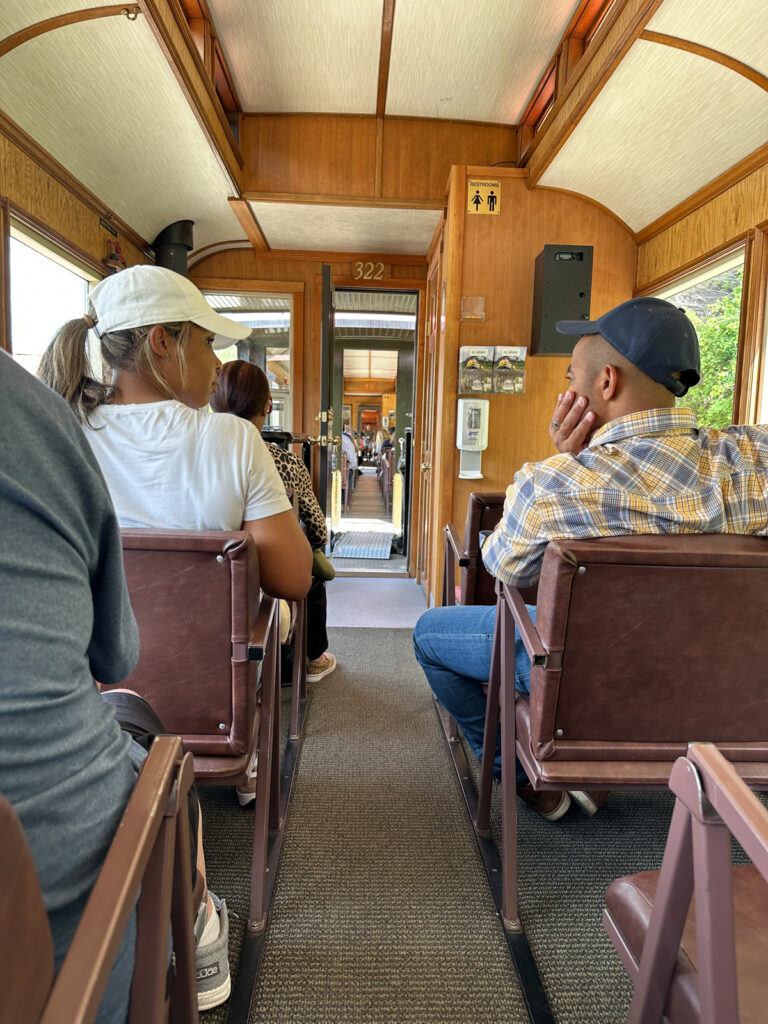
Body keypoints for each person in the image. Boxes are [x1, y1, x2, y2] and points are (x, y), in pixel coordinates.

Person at [413, 296, 768, 819]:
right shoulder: (754, 460)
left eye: (571, 376)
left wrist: (567, 459)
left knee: (429, 634)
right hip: (724, 693)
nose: (566, 390)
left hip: (587, 690)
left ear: (606, 383)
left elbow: (503, 567)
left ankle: (529, 782)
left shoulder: (553, 486)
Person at [0, 351, 228, 1018]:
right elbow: (115, 654)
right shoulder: (34, 421)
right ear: (164, 344)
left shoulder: (70, 420)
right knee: (152, 750)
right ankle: (199, 926)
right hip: (59, 917)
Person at [39, 264, 312, 805]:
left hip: (85, 702)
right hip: (208, 705)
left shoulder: (62, 432)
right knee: (274, 616)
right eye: (207, 342)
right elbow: (295, 578)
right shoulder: (233, 438)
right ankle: (249, 755)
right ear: (162, 341)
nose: (217, 363)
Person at [211, 360, 336, 683]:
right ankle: (312, 659)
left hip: (205, 584)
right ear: (267, 406)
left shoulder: (193, 455)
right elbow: (318, 530)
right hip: (264, 579)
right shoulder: (284, 461)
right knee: (310, 573)